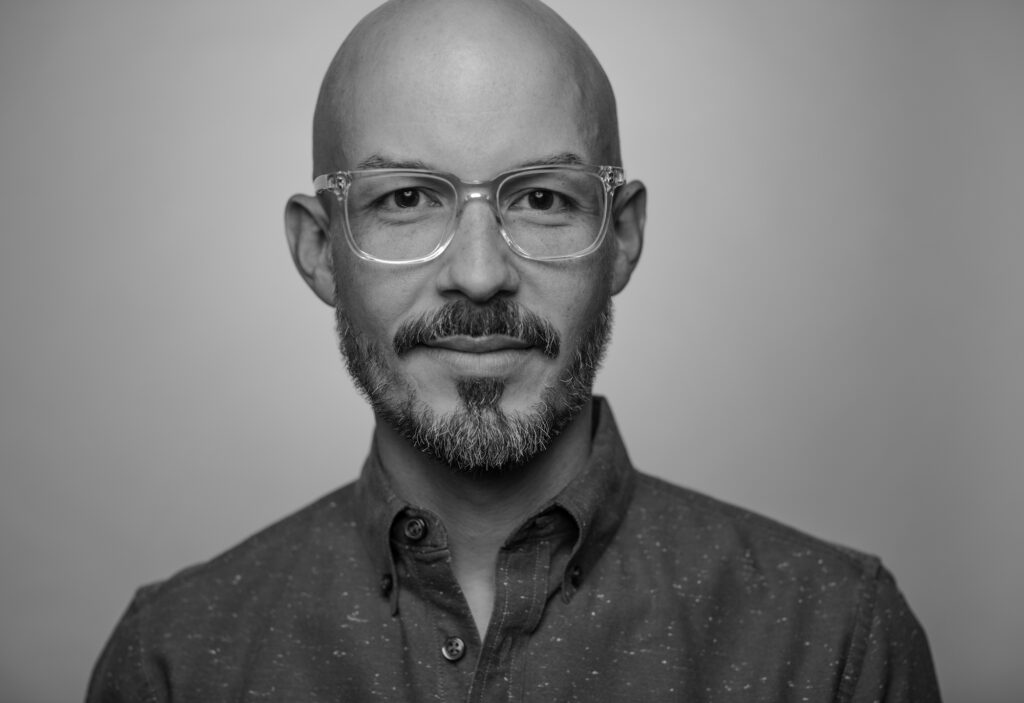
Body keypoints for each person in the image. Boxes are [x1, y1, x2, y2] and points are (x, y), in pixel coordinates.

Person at [86, 0, 941, 700]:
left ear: (623, 237)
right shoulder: (173, 662)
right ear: (319, 250)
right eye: (409, 197)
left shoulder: (837, 644)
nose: (482, 273)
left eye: (539, 197)